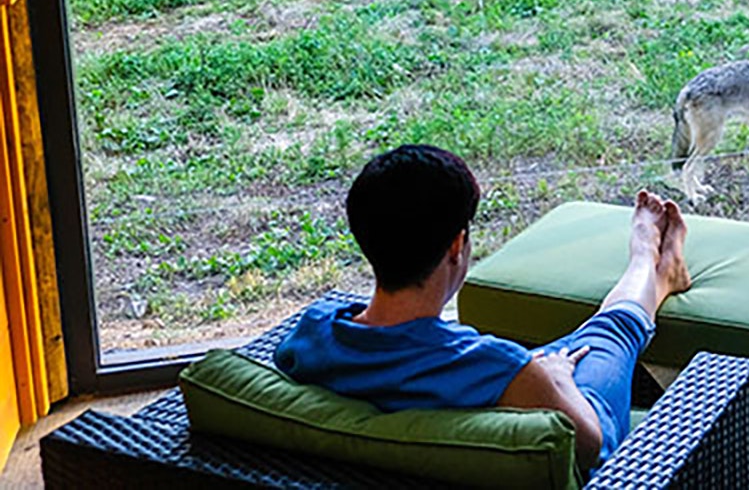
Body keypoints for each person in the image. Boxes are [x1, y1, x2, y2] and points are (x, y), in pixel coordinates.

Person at [273, 144, 692, 471]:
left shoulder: (310, 334)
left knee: (575, 343)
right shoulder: (499, 366)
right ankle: (650, 268)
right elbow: (590, 444)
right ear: (457, 245)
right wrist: (556, 380)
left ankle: (652, 275)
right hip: (577, 422)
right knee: (607, 336)